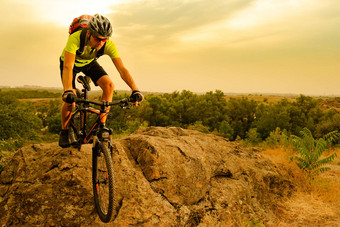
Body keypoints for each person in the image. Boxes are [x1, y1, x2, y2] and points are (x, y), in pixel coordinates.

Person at [59, 14, 143, 148]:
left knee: (109, 85)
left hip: (89, 63)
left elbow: (122, 69)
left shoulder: (107, 44)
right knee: (70, 102)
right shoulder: (76, 38)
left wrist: (135, 89)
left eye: (104, 40)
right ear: (89, 34)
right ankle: (64, 130)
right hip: (71, 63)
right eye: (98, 39)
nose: (101, 43)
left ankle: (101, 126)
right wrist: (68, 90)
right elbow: (68, 67)